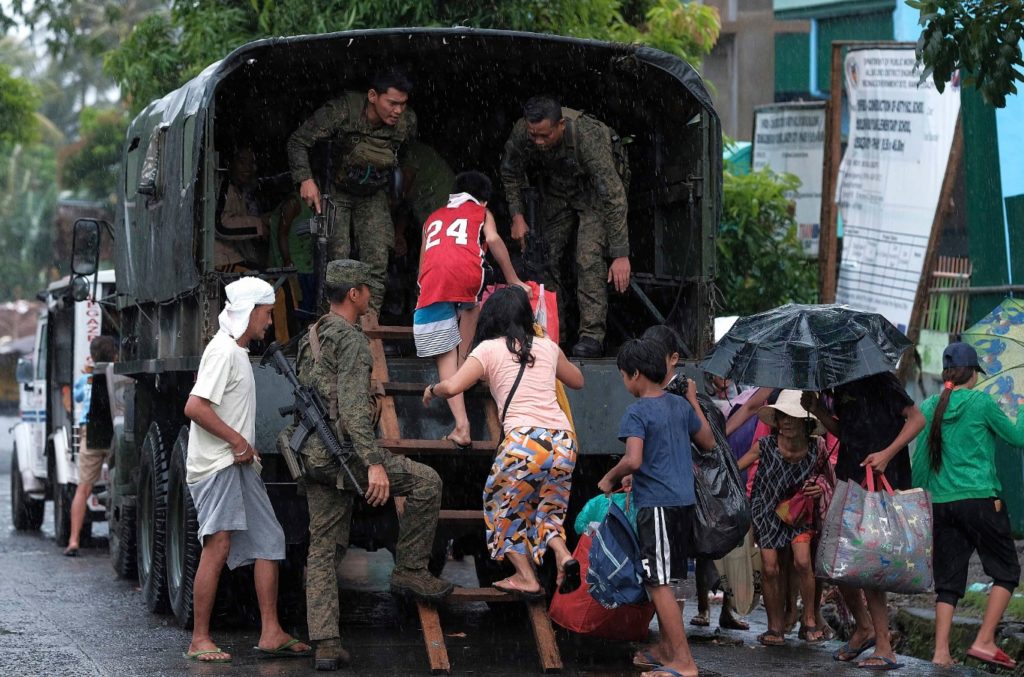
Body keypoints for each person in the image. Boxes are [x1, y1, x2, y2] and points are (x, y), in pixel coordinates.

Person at [296, 259, 453, 671]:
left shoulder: (311, 335)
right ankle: (410, 570)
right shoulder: (350, 340)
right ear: (353, 294)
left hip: (314, 455)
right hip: (346, 453)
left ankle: (326, 643)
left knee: (323, 549)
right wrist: (373, 464)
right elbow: (350, 408)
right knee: (426, 483)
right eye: (366, 288)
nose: (370, 294)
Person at [423, 286, 584, 597]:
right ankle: (564, 555)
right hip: (563, 443)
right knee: (548, 511)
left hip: (525, 442)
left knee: (498, 507)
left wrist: (433, 389)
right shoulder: (547, 347)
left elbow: (454, 384)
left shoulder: (488, 350)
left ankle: (526, 576)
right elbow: (578, 380)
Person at [182, 277, 310, 663]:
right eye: (267, 313)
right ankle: (199, 639)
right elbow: (195, 407)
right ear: (250, 311)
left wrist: (244, 447)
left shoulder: (236, 352)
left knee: (270, 539)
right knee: (217, 544)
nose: (270, 321)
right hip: (218, 466)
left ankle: (271, 632)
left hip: (240, 466)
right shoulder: (222, 351)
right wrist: (237, 442)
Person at [598, 338, 714, 677]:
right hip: (683, 505)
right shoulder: (679, 406)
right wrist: (692, 401)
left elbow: (633, 460)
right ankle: (666, 650)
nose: (624, 383)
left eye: (622, 376)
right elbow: (706, 441)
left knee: (658, 583)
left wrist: (609, 476)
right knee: (671, 580)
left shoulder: (636, 411)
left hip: (658, 507)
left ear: (635, 374)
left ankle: (684, 663)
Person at [913, 342, 1023, 670]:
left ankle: (940, 652)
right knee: (1006, 572)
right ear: (973, 373)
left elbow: (919, 461)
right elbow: (1018, 438)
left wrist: (921, 500)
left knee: (948, 582)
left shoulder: (931, 405)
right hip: (979, 501)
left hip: (942, 505)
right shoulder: (982, 402)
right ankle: (984, 639)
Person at [803, 373, 925, 670]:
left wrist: (886, 453)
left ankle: (884, 645)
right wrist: (819, 410)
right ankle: (864, 627)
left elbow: (917, 419)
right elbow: (848, 433)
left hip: (882, 478)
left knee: (870, 564)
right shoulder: (841, 386)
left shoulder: (882, 379)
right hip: (851, 476)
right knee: (838, 560)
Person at [500, 95, 630, 358]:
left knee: (587, 257)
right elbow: (510, 172)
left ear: (560, 125)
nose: (538, 142)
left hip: (595, 193)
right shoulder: (523, 131)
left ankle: (591, 336)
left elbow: (613, 196)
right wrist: (517, 216)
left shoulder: (587, 136)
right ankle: (553, 332)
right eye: (533, 135)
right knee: (542, 255)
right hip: (560, 188)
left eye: (544, 136)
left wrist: (620, 253)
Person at [641, 325, 749, 632]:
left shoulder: (687, 398)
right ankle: (672, 644)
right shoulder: (672, 396)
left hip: (674, 497)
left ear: (673, 359)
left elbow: (709, 445)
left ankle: (673, 647)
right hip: (675, 494)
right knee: (669, 574)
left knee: (668, 576)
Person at [287, 70, 417, 315]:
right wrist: (305, 179)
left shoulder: (407, 123)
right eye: (392, 103)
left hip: (374, 193)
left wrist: (395, 193)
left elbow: (406, 155)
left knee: (378, 259)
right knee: (337, 260)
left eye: (403, 104)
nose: (398, 111)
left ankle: (370, 325)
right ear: (372, 96)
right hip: (338, 190)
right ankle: (334, 323)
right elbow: (298, 141)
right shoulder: (343, 110)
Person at [414, 171, 528, 448]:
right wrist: (513, 279)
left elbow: (423, 261)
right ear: (484, 201)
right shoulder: (480, 211)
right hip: (468, 275)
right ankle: (465, 359)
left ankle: (461, 427)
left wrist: (426, 290)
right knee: (471, 304)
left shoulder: (432, 219)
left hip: (433, 282)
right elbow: (495, 240)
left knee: (444, 357)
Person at [747, 390, 830, 647]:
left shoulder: (818, 447)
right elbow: (735, 466)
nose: (787, 422)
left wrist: (821, 487)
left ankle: (809, 621)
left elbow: (830, 480)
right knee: (770, 567)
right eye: (783, 416)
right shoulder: (765, 446)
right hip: (767, 509)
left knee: (803, 562)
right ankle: (775, 627)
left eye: (793, 417)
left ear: (805, 421)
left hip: (799, 511)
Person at [64, 335, 119, 557]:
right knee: (118, 485)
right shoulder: (118, 373)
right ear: (115, 354)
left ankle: (74, 540)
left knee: (83, 487)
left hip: (91, 431)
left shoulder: (88, 378)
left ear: (93, 356)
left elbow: (77, 397)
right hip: (115, 431)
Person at [215, 145, 301, 270]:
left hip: (234, 258)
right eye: (242, 162)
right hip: (221, 260)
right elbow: (221, 226)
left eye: (251, 163)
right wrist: (259, 224)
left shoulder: (241, 190)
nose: (248, 168)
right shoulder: (223, 187)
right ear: (230, 163)